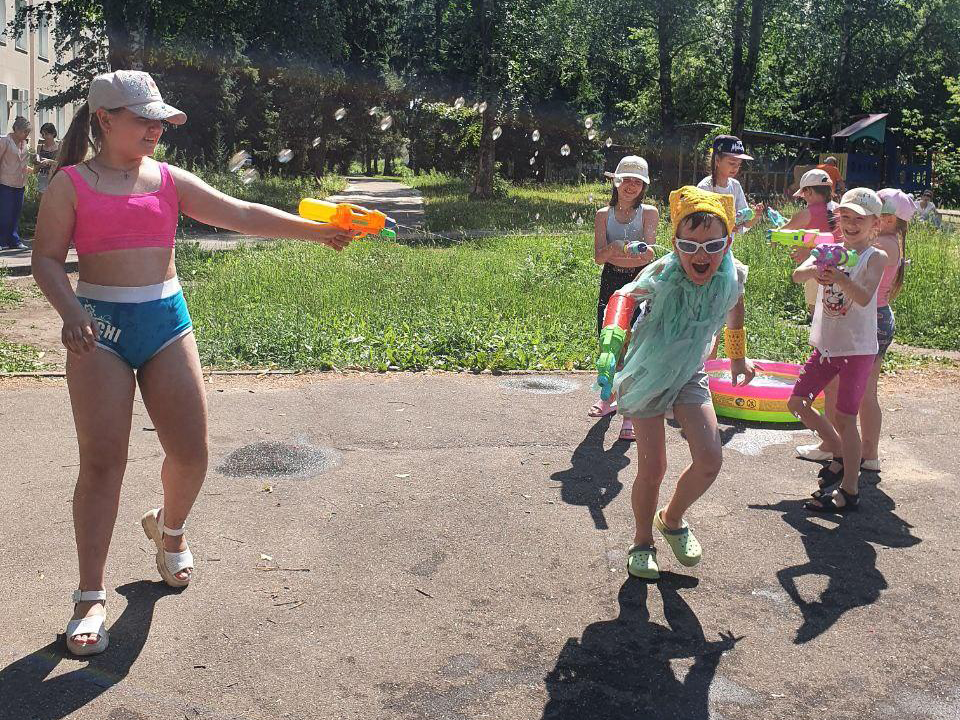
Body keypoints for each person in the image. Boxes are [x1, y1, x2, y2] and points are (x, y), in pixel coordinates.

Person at [31, 70, 355, 657]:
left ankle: (169, 529)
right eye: (142, 118)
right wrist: (70, 308)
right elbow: (47, 259)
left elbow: (244, 213)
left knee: (191, 453)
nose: (155, 128)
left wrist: (318, 231)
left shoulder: (169, 180)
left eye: (160, 119)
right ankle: (89, 596)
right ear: (104, 119)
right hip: (98, 330)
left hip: (165, 322)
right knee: (104, 464)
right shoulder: (71, 184)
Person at [599, 186, 755, 580]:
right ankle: (641, 542)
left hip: (689, 371)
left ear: (729, 241)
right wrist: (612, 339)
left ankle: (671, 519)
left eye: (712, 245)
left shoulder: (731, 274)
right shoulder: (664, 271)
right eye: (689, 245)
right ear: (675, 244)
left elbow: (735, 306)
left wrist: (737, 354)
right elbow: (623, 297)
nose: (700, 256)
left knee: (709, 459)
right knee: (653, 467)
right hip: (650, 370)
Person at [788, 188, 888, 514]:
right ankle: (836, 449)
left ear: (875, 224)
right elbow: (796, 274)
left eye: (859, 218)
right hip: (827, 346)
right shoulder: (831, 248)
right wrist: (817, 269)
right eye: (845, 217)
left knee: (847, 418)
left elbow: (862, 296)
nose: (850, 223)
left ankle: (850, 490)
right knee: (797, 402)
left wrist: (840, 276)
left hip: (857, 351)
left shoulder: (876, 257)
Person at [589, 155, 658, 442]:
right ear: (616, 182)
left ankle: (629, 413)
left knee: (635, 343)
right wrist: (616, 246)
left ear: (643, 187)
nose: (631, 186)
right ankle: (608, 398)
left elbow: (651, 253)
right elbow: (597, 257)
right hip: (611, 280)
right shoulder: (603, 215)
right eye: (625, 180)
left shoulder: (650, 213)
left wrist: (640, 251)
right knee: (610, 340)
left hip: (639, 281)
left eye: (637, 182)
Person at [696, 135, 762, 233]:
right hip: (706, 246)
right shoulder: (704, 187)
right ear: (717, 160)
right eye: (732, 163)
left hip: (726, 247)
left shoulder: (735, 186)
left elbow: (744, 224)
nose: (735, 168)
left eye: (739, 165)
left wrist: (756, 216)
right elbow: (700, 225)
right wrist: (726, 226)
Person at [0, 116, 34, 250]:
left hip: (20, 183)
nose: (26, 135)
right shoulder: (4, 141)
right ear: (16, 130)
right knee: (5, 213)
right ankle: (2, 241)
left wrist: (35, 168)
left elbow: (23, 164)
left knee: (16, 212)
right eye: (24, 132)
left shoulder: (24, 143)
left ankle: (14, 240)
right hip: (5, 182)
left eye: (28, 132)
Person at [35, 122, 60, 194]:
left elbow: (61, 164)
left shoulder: (59, 146)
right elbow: (36, 166)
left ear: (53, 134)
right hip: (42, 176)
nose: (44, 136)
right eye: (43, 134)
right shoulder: (40, 147)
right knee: (42, 201)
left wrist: (49, 161)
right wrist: (38, 163)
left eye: (47, 134)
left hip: (55, 177)